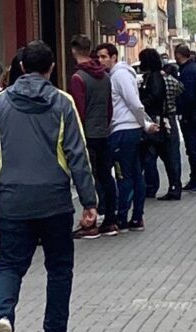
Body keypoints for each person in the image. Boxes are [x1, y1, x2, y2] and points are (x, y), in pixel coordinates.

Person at [0, 41, 97, 332]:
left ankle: (2, 320)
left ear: (21, 67)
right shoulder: (62, 102)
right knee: (59, 268)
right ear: (51, 68)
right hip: (55, 200)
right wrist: (89, 201)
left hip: (12, 199)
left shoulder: (0, 103)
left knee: (10, 265)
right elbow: (77, 154)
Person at [97, 44, 159, 232]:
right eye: (98, 57)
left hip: (123, 131)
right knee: (135, 174)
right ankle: (137, 217)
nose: (100, 61)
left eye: (104, 57)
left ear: (114, 57)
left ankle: (122, 218)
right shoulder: (120, 74)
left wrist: (144, 124)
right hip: (129, 129)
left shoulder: (119, 75)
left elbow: (134, 103)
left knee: (123, 175)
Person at [68, 35, 117, 238]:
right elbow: (109, 108)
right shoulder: (105, 76)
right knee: (106, 175)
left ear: (73, 51)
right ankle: (111, 219)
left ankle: (91, 221)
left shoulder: (78, 78)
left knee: (89, 177)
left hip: (86, 134)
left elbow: (78, 110)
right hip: (103, 132)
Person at [138, 49, 178, 201]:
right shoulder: (153, 76)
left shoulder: (154, 77)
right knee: (161, 155)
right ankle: (168, 186)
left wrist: (142, 103)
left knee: (155, 154)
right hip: (157, 119)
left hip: (154, 119)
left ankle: (155, 187)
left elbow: (155, 97)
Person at [174, 44, 196, 193]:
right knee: (191, 147)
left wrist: (180, 106)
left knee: (193, 147)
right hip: (191, 112)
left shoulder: (188, 71)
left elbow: (188, 94)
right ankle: (195, 178)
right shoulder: (191, 68)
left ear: (179, 55)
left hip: (189, 114)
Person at [157, 63, 184, 201]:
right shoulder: (173, 82)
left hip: (158, 118)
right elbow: (181, 89)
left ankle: (151, 186)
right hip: (171, 117)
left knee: (153, 154)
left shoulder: (155, 80)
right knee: (173, 154)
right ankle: (176, 185)